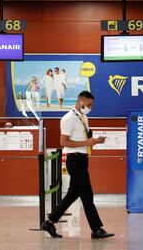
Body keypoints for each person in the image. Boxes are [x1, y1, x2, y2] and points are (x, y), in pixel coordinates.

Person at [41, 91, 114, 239]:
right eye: (89, 105)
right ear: (80, 101)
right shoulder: (68, 119)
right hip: (74, 160)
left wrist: (95, 140)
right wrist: (86, 143)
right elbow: (63, 142)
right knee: (87, 195)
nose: (90, 108)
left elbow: (83, 138)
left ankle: (49, 222)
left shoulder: (83, 118)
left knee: (72, 194)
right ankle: (96, 229)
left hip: (82, 159)